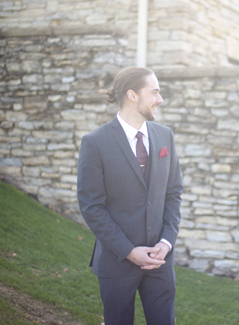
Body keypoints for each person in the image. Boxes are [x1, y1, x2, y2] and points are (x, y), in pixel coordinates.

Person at [77, 67, 183, 325]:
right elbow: (92, 207)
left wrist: (166, 243)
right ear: (132, 95)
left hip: (160, 261)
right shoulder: (95, 142)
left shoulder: (164, 135)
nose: (161, 99)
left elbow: (173, 193)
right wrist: (128, 251)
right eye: (155, 92)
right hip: (116, 262)